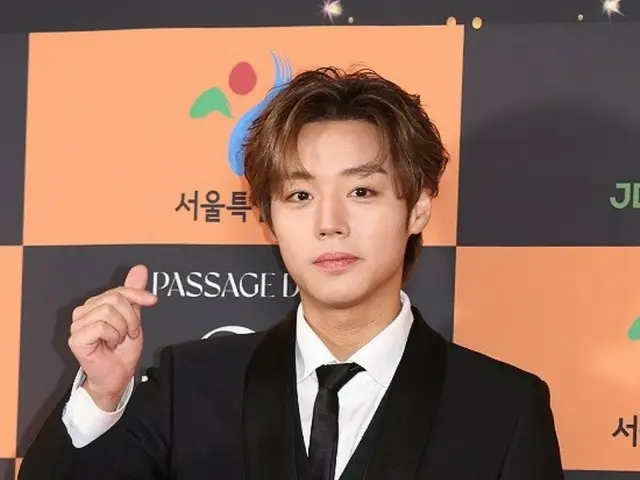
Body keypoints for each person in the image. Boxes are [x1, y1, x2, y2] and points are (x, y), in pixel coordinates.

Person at [18, 66, 564, 480]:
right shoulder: (192, 385)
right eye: (300, 195)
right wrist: (101, 396)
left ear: (417, 208)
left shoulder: (504, 409)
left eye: (362, 191)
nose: (330, 224)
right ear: (269, 220)